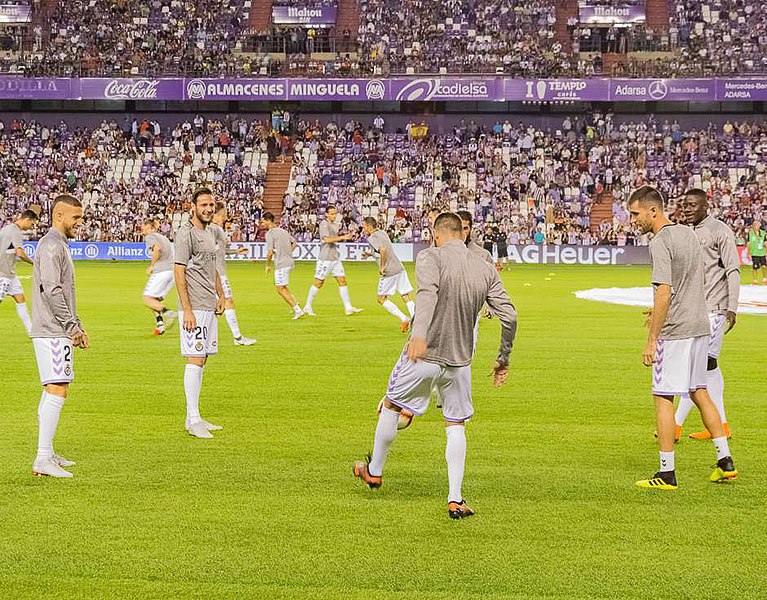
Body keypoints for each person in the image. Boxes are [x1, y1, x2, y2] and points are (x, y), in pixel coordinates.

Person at [353, 212, 518, 519]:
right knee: (455, 424)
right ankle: (455, 499)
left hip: (424, 354)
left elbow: (427, 294)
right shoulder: (484, 266)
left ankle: (374, 471)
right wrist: (503, 357)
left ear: (437, 233)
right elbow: (509, 316)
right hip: (459, 362)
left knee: (390, 405)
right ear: (461, 233)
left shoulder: (431, 256)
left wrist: (418, 336)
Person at [628, 186, 737, 490]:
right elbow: (693, 280)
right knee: (699, 390)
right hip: (699, 324)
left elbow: (665, 290)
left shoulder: (660, 241)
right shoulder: (688, 234)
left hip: (675, 331)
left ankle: (666, 473)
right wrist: (661, 308)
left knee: (663, 396)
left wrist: (652, 338)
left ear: (653, 210)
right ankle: (725, 460)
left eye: (635, 213)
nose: (633, 220)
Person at [673, 190, 739, 440]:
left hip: (714, 308)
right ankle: (720, 425)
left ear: (705, 206)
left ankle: (676, 425)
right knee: (708, 366)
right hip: (696, 309)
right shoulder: (688, 232)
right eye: (685, 205)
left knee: (697, 366)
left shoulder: (719, 231)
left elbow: (732, 269)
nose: (687, 209)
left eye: (692, 205)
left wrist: (732, 305)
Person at [30, 195, 88, 478]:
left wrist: (77, 324)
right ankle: (42, 458)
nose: (80, 222)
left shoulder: (57, 245)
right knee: (58, 388)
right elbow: (52, 290)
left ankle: (47, 451)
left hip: (55, 328)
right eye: (75, 217)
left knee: (52, 388)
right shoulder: (52, 245)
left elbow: (62, 292)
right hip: (52, 330)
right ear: (59, 215)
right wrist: (71, 327)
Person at [174, 188, 227, 439]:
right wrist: (186, 310)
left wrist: (222, 295)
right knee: (194, 359)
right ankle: (193, 419)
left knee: (202, 358)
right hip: (194, 306)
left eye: (211, 205)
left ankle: (193, 417)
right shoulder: (185, 234)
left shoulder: (210, 233)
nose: (208, 208)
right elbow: (179, 271)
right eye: (204, 204)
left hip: (208, 303)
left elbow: (212, 267)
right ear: (192, 206)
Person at [304, 204, 362, 316]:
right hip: (325, 258)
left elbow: (334, 238)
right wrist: (342, 237)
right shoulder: (324, 224)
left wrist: (345, 236)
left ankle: (348, 307)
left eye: (335, 214)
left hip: (335, 257)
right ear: (326, 214)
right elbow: (326, 239)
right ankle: (307, 305)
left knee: (342, 281)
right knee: (319, 282)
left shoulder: (334, 225)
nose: (334, 216)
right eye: (331, 214)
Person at [211, 202, 256, 346]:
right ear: (215, 215)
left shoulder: (212, 230)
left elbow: (219, 251)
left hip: (210, 273)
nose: (224, 218)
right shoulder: (214, 230)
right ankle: (237, 338)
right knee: (227, 301)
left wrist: (236, 251)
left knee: (213, 305)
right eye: (223, 216)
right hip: (217, 273)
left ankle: (207, 338)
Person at [361, 217, 415, 332]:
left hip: (389, 272)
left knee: (381, 298)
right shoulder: (382, 232)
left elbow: (383, 250)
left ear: (370, 227)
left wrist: (383, 266)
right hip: (399, 267)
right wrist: (370, 254)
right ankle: (417, 321)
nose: (363, 229)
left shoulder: (372, 238)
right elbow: (382, 250)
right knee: (405, 296)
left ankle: (404, 318)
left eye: (364, 226)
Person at [0, 207, 38, 335]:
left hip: (10, 274)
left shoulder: (5, 229)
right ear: (27, 219)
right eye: (31, 224)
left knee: (20, 298)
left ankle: (31, 331)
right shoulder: (15, 231)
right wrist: (34, 263)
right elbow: (20, 253)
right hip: (3, 274)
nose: (31, 227)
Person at [263, 211, 303, 319]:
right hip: (289, 262)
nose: (262, 224)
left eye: (263, 221)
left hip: (281, 263)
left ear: (268, 221)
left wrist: (267, 265)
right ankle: (296, 304)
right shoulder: (283, 231)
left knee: (280, 289)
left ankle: (297, 310)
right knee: (284, 287)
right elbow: (294, 242)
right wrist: (288, 252)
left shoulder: (270, 234)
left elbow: (270, 252)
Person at [142, 219, 177, 336]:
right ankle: (160, 325)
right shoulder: (164, 238)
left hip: (162, 271)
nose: (142, 228)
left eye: (144, 226)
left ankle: (169, 313)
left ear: (150, 227)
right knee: (155, 299)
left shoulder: (150, 236)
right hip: (171, 272)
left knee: (147, 299)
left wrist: (152, 265)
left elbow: (157, 249)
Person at [746, 220, 766, 285]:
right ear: (754, 226)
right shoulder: (750, 233)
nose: (757, 226)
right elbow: (748, 244)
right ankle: (755, 280)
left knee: (764, 266)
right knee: (755, 267)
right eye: (756, 225)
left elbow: (765, 243)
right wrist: (748, 252)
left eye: (758, 225)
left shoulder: (763, 233)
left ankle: (764, 279)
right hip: (754, 253)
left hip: (762, 252)